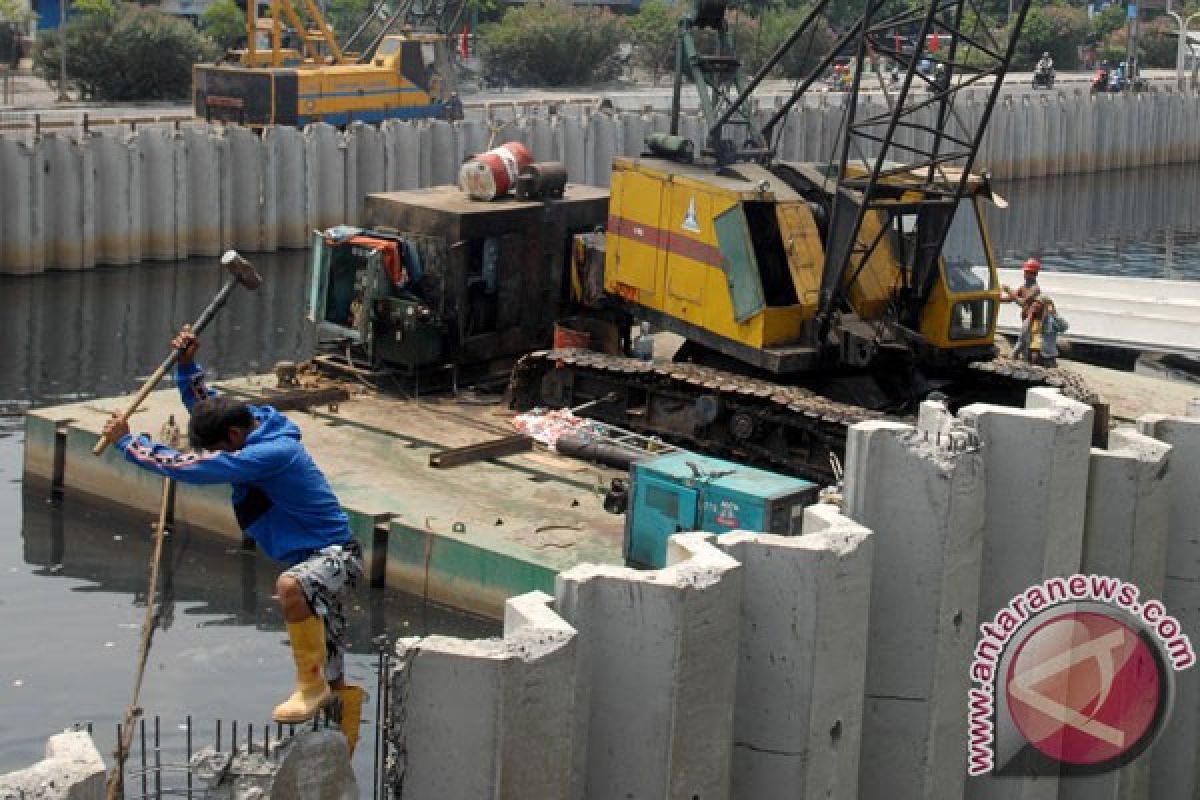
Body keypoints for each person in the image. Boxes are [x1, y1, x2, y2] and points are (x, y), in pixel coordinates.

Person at [100, 327, 366, 755]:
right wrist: (187, 367)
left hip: (334, 559)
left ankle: (310, 688)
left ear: (236, 440)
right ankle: (341, 737)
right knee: (331, 661)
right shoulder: (253, 422)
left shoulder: (267, 455)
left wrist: (130, 444)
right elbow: (209, 406)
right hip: (317, 558)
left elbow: (190, 468)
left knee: (290, 588)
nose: (225, 457)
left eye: (226, 451)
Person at [1001, 258, 1042, 361]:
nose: (1024, 274)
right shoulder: (1023, 287)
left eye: (1027, 272)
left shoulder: (1035, 289)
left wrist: (1008, 290)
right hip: (1025, 318)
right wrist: (998, 299)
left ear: (1034, 274)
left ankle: (1015, 356)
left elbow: (1023, 302)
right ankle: (1025, 359)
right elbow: (1012, 298)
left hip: (1032, 319)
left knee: (1024, 339)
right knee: (1025, 340)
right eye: (1025, 272)